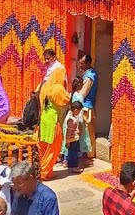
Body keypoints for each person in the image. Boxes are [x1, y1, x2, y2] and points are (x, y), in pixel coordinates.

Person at [36, 47, 70, 180]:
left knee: (43, 147)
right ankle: (45, 172)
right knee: (53, 147)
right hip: (52, 120)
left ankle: (42, 170)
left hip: (43, 119)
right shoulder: (56, 89)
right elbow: (65, 101)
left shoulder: (44, 86)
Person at [76, 53, 98, 164]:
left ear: (88, 64)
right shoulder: (87, 74)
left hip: (86, 107)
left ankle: (89, 155)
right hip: (84, 106)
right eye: (80, 63)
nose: (80, 66)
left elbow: (83, 93)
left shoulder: (90, 76)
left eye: (83, 64)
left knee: (87, 132)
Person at [64, 94, 85, 173]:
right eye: (79, 112)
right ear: (75, 110)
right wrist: (68, 141)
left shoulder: (70, 115)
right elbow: (68, 131)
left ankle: (71, 166)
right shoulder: (71, 119)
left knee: (72, 153)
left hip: (73, 139)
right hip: (72, 139)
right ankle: (74, 166)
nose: (79, 113)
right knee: (74, 154)